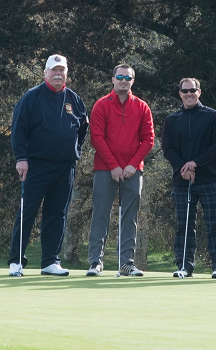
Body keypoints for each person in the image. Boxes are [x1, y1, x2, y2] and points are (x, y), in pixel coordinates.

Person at [8, 54, 89, 277]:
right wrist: (21, 158)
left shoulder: (74, 99)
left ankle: (50, 261)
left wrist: (75, 151)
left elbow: (82, 128)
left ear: (66, 74)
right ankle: (16, 261)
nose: (57, 74)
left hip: (65, 167)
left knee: (57, 214)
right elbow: (18, 130)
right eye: (53, 70)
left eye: (61, 70)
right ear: (45, 73)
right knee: (27, 212)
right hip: (36, 164)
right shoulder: (31, 97)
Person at [85, 64, 154, 277]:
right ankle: (95, 262)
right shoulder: (102, 105)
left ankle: (126, 263)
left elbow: (148, 139)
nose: (123, 81)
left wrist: (133, 164)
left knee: (129, 216)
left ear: (132, 81)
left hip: (134, 170)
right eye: (120, 77)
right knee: (101, 214)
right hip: (105, 169)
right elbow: (96, 137)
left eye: (128, 77)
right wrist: (113, 166)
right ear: (113, 80)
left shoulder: (142, 107)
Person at [161, 78, 216, 279]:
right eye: (185, 91)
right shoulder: (172, 120)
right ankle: (184, 265)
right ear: (180, 93)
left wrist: (195, 163)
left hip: (210, 180)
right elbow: (168, 149)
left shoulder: (213, 116)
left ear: (199, 92)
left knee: (215, 225)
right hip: (182, 181)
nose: (189, 94)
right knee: (184, 225)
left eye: (193, 90)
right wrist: (183, 166)